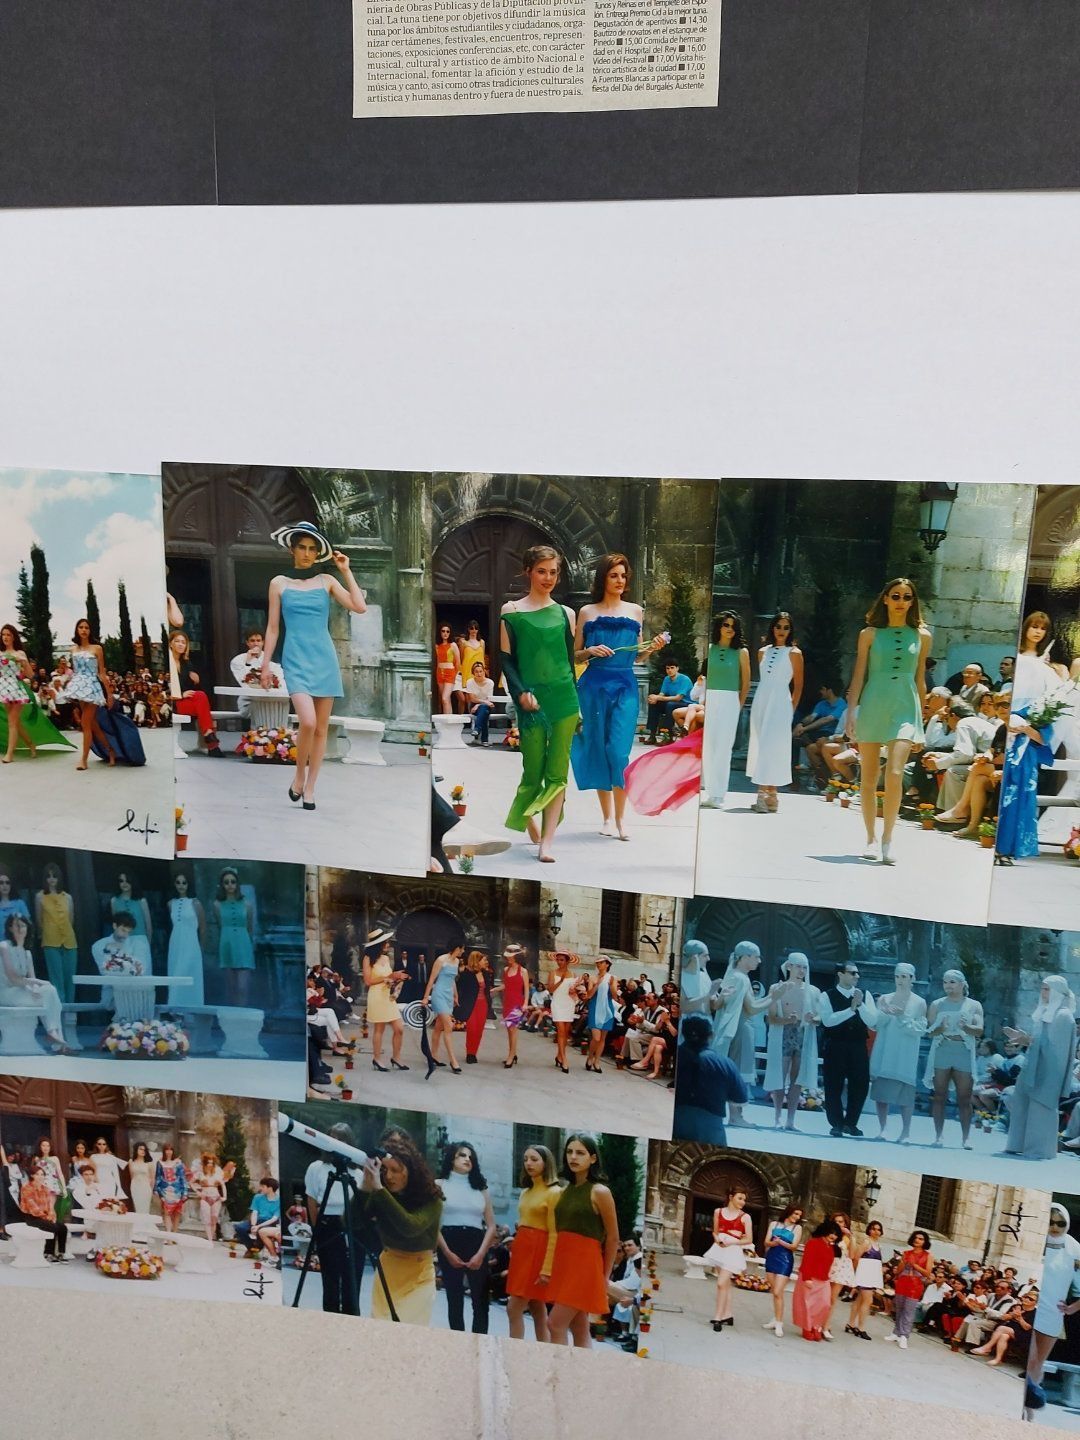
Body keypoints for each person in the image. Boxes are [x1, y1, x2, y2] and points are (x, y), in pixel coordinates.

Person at [263, 520, 367, 810]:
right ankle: (298, 776)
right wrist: (266, 665)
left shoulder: (327, 581)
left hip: (324, 660)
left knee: (321, 729)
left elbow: (360, 607)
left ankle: (310, 789)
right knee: (306, 722)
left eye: (311, 548)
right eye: (302, 547)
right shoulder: (279, 584)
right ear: (292, 550)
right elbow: (272, 628)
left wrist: (345, 570)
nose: (306, 553)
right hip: (295, 659)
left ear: (317, 552)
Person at [570, 553, 665, 838]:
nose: (620, 580)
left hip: (624, 686)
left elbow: (637, 657)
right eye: (614, 575)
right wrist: (590, 651)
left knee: (618, 751)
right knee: (599, 748)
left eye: (623, 576)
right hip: (593, 686)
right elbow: (573, 655)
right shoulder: (587, 612)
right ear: (603, 578)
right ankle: (607, 818)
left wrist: (653, 648)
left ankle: (622, 819)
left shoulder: (636, 610)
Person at [500, 546, 580, 864]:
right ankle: (528, 816)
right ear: (528, 571)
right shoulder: (512, 611)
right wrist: (520, 693)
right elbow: (507, 661)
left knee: (558, 774)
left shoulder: (566, 614)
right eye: (542, 571)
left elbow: (568, 662)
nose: (548, 578)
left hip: (564, 699)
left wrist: (579, 703)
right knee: (533, 772)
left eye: (553, 572)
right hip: (530, 701)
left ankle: (548, 842)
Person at [846, 578, 932, 864]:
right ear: (885, 599)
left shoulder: (923, 636)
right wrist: (851, 712)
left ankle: (888, 839)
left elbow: (921, 679)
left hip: (906, 706)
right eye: (895, 596)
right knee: (869, 777)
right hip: (874, 702)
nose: (900, 601)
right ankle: (870, 837)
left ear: (912, 602)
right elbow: (859, 674)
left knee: (895, 773)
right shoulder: (869, 634)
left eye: (906, 597)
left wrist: (923, 723)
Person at [356, 1136, 444, 1325]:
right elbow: (351, 1222)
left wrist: (379, 1190)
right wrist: (365, 1185)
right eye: (385, 1170)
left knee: (408, 1326)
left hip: (419, 1274)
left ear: (411, 1171)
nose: (388, 1176)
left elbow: (410, 1227)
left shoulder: (432, 1197)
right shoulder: (382, 1194)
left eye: (396, 1170)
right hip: (388, 1269)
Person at [544, 1134, 619, 1348]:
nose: (573, 1157)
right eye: (569, 1152)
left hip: (585, 1266)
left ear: (593, 1158)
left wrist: (605, 1276)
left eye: (580, 1153)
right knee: (579, 1327)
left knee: (555, 1324)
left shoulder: (600, 1191)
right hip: (565, 1264)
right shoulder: (565, 1191)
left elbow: (613, 1237)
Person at [1004, 976, 1078, 1160]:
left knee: (1041, 1107)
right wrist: (1023, 1038)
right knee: (1021, 1101)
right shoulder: (1045, 1012)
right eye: (1042, 989)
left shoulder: (1063, 1016)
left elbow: (1055, 1050)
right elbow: (1040, 1042)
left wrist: (1027, 1040)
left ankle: (1039, 1149)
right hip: (1033, 1066)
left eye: (1047, 989)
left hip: (1050, 1071)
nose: (1043, 993)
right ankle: (1018, 1143)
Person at [1022, 1204, 1080, 1414]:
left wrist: (1072, 1308)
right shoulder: (1034, 1242)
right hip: (1030, 1309)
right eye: (1051, 1222)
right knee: (1029, 1361)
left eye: (1060, 1223)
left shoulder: (1074, 1249)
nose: (1055, 1227)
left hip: (1052, 1315)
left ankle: (1030, 1412)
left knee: (1037, 1364)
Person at [304, 1121, 367, 1314]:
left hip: (353, 1226)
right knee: (330, 1278)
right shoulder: (316, 1167)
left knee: (352, 1279)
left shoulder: (358, 1173)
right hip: (328, 1225)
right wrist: (317, 1231)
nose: (337, 1143)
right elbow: (312, 1202)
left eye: (342, 1140)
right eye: (333, 1139)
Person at [436, 1142, 497, 1334]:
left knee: (480, 1302)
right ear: (452, 1159)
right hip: (449, 1241)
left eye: (471, 1157)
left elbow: (491, 1225)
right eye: (462, 1155)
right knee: (454, 1300)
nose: (467, 1159)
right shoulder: (439, 1184)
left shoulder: (481, 1189)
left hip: (476, 1242)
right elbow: (433, 1224)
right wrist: (446, 1252)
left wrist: (481, 1254)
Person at [711, 939, 772, 1125]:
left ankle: (736, 1115)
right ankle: (736, 1116)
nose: (759, 961)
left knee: (736, 1072)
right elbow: (752, 1008)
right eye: (756, 956)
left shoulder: (738, 977)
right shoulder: (740, 978)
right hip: (740, 1029)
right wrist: (773, 997)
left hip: (742, 1028)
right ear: (745, 957)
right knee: (737, 1073)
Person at [747, 611, 803, 814]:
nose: (781, 631)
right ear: (772, 628)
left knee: (775, 747)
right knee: (762, 745)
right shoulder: (763, 651)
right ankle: (771, 796)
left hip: (781, 704)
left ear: (791, 630)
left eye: (786, 627)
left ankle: (764, 794)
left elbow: (798, 686)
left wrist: (791, 710)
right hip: (762, 700)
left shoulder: (795, 653)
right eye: (778, 626)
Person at [866, 963, 927, 1144]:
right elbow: (876, 1024)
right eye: (898, 976)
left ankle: (905, 1131)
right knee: (882, 1094)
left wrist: (902, 1016)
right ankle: (883, 1129)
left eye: (905, 976)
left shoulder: (919, 1002)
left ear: (912, 978)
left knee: (905, 1096)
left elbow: (920, 1029)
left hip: (905, 1054)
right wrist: (885, 1012)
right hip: (886, 1051)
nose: (900, 980)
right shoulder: (885, 998)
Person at [506, 1144, 561, 1342]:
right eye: (526, 1159)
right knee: (537, 1307)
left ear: (546, 1163)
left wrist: (547, 1269)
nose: (529, 1163)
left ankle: (514, 1351)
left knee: (513, 1308)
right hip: (522, 1250)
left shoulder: (554, 1192)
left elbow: (554, 1232)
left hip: (538, 1251)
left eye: (534, 1159)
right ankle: (544, 1350)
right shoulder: (525, 1192)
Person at [924, 969, 984, 1149]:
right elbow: (929, 1032)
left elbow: (979, 1030)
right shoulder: (937, 1004)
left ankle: (966, 1138)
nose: (948, 986)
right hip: (942, 1049)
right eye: (945, 982)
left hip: (963, 1051)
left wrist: (966, 1027)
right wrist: (940, 1029)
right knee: (939, 1095)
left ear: (962, 984)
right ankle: (938, 1136)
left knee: (964, 1097)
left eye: (952, 982)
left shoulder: (973, 1005)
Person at [763, 953, 821, 1131]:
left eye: (804, 967)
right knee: (779, 1077)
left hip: (803, 1035)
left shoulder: (813, 991)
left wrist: (813, 1018)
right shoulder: (777, 988)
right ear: (789, 967)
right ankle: (778, 1117)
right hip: (783, 1034)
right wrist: (786, 1020)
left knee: (797, 1079)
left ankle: (791, 1120)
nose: (801, 970)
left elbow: (820, 1018)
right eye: (798, 966)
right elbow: (770, 1018)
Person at [701, 610, 751, 808]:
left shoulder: (742, 652)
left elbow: (746, 683)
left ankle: (719, 795)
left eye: (733, 626)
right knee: (709, 746)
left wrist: (738, 705)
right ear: (719, 627)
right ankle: (709, 792)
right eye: (726, 625)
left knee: (723, 747)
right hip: (712, 698)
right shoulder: (710, 648)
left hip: (731, 700)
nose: (729, 629)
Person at [818, 961, 874, 1138]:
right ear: (841, 975)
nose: (857, 976)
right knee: (833, 1084)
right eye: (852, 973)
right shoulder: (826, 995)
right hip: (836, 1044)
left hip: (858, 1045)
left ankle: (851, 1123)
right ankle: (836, 1123)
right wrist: (851, 1009)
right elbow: (828, 1020)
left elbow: (872, 1021)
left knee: (860, 1084)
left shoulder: (865, 995)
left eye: (858, 973)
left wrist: (860, 1005)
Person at [674, 1014, 749, 1144]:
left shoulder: (677, 1056)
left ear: (683, 1033)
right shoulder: (725, 1063)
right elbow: (740, 1098)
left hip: (676, 1120)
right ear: (711, 1035)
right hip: (710, 1127)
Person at [0, 913, 68, 1052]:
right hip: (6, 992)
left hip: (20, 992)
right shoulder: (4, 946)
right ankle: (55, 1038)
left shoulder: (27, 953)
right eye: (16, 925)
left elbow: (31, 979)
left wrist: (35, 988)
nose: (20, 929)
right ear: (10, 928)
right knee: (49, 992)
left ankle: (54, 1036)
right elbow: (12, 977)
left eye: (23, 925)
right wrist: (38, 982)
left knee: (50, 993)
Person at [63, 617, 117, 769]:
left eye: (86, 627)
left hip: (92, 686)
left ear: (90, 630)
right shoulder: (73, 649)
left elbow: (102, 673)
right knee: (92, 724)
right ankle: (110, 750)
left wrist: (109, 695)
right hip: (79, 686)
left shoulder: (97, 648)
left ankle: (84, 760)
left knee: (85, 722)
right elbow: (75, 671)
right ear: (77, 630)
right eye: (81, 627)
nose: (84, 630)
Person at [167, 631, 224, 756]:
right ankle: (211, 742)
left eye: (183, 642)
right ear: (170, 644)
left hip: (183, 702)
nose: (181, 645)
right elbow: (163, 688)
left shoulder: (186, 663)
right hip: (170, 703)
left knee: (201, 695)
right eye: (177, 641)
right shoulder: (167, 663)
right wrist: (181, 694)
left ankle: (209, 735)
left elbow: (192, 687)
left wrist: (195, 679)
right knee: (202, 702)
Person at [362, 927, 408, 1072]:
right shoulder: (368, 958)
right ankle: (377, 1058)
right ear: (379, 944)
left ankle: (396, 1057)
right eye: (386, 942)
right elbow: (368, 981)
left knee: (399, 1028)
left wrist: (397, 978)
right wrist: (389, 977)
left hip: (388, 996)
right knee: (379, 1029)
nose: (388, 944)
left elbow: (389, 978)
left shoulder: (387, 958)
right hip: (376, 995)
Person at [35, 863, 78, 1006]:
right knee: (56, 980)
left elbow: (70, 920)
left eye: (54, 876)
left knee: (70, 979)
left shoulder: (68, 897)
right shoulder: (40, 897)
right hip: (50, 941)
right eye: (48, 876)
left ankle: (71, 1017)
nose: (52, 879)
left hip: (70, 942)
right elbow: (39, 920)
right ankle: (59, 1016)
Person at [792, 1218, 841, 1341]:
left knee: (825, 1304)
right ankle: (807, 1328)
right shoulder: (813, 1243)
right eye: (831, 1233)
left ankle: (816, 1325)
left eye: (836, 1234)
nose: (833, 1236)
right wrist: (807, 1278)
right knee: (807, 1304)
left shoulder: (831, 1247)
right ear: (824, 1231)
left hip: (823, 1279)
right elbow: (807, 1261)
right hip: (809, 1277)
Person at [214, 867, 256, 1006]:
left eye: (233, 881)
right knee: (231, 988)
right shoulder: (217, 904)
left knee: (242, 987)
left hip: (243, 944)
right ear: (222, 885)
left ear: (237, 884)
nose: (230, 884)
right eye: (226, 882)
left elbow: (250, 927)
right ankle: (232, 1020)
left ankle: (243, 1016)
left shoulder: (247, 904)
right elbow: (220, 925)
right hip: (227, 944)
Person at [886, 1230, 933, 1350]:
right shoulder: (906, 1253)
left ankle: (904, 1336)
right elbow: (899, 1270)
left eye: (921, 1239)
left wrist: (915, 1265)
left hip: (916, 1284)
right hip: (903, 1282)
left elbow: (927, 1273)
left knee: (909, 1311)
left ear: (925, 1242)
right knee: (899, 1308)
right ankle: (896, 1332)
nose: (917, 1240)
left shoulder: (928, 1256)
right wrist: (902, 1262)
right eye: (916, 1238)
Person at [762, 1204, 803, 1337]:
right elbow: (766, 1242)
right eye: (795, 1213)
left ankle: (779, 1323)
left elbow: (794, 1246)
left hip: (785, 1260)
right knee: (774, 1292)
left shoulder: (798, 1228)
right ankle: (775, 1318)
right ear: (789, 1212)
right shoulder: (774, 1224)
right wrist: (773, 1243)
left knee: (778, 1291)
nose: (797, 1217)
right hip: (772, 1257)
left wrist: (780, 1242)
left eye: (799, 1215)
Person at [165, 870, 205, 1006]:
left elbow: (203, 928)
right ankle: (175, 1009)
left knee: (189, 973)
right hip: (176, 942)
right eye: (178, 883)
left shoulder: (195, 903)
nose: (181, 886)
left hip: (191, 943)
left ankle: (193, 1008)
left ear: (188, 885)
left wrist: (200, 946)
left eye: (184, 883)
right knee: (175, 972)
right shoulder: (171, 904)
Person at [423, 944, 464, 1073]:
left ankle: (433, 1056)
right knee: (449, 1026)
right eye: (462, 948)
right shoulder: (441, 960)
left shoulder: (457, 961)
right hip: (439, 994)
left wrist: (455, 995)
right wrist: (425, 997)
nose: (463, 951)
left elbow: (452, 980)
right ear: (456, 948)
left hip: (448, 996)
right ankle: (453, 1060)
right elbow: (431, 979)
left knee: (439, 1027)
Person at [0, 623, 37, 762]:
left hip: (15, 687)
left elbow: (31, 675)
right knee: (15, 722)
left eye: (8, 635)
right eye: (3, 634)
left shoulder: (20, 653)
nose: (5, 637)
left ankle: (9, 754)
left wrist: (24, 662)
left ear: (14, 637)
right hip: (3, 688)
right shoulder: (0, 653)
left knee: (12, 722)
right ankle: (31, 745)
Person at [18, 1162, 69, 1262]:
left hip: (45, 1216)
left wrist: (52, 1215)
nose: (40, 1176)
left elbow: (50, 1205)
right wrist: (46, 1217)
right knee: (52, 1227)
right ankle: (48, 1253)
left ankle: (61, 1253)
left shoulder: (45, 1189)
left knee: (62, 1227)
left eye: (42, 1174)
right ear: (32, 1175)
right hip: (32, 1217)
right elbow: (33, 1207)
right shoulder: (26, 1188)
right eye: (37, 1174)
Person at [229, 627, 285, 717]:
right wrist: (248, 662)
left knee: (278, 707)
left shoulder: (271, 663)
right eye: (252, 641)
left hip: (271, 701)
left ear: (263, 642)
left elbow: (281, 684)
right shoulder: (237, 661)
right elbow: (245, 683)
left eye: (258, 641)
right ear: (247, 643)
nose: (256, 644)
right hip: (249, 702)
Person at [582, 954, 620, 1073]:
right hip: (595, 1007)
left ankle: (597, 1061)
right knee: (596, 1037)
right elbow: (589, 995)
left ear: (607, 964)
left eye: (601, 962)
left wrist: (611, 985)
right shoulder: (593, 978)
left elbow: (615, 997)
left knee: (603, 1038)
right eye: (597, 963)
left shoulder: (613, 978)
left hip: (607, 1008)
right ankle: (590, 1056)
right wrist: (597, 984)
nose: (598, 965)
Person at [848, 1220, 885, 1339]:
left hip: (872, 1275)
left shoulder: (878, 1245)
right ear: (869, 1230)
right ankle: (861, 1328)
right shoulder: (866, 1242)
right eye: (874, 1229)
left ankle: (851, 1324)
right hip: (865, 1274)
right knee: (868, 1301)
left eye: (878, 1229)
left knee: (860, 1299)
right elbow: (857, 1257)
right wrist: (855, 1273)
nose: (876, 1232)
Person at [546, 950, 581, 1074]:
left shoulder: (573, 974)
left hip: (569, 1004)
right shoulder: (552, 973)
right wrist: (560, 981)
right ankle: (564, 1058)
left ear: (567, 961)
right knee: (560, 1030)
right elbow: (550, 989)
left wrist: (577, 990)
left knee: (565, 1032)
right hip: (557, 1003)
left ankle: (559, 1056)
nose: (559, 962)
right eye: (558, 959)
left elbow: (575, 991)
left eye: (562, 960)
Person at [496, 944, 529, 1069]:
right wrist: (495, 989)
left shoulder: (523, 971)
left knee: (513, 1030)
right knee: (509, 1030)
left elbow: (526, 989)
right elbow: (506, 985)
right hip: (507, 1002)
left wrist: (525, 1003)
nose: (508, 958)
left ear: (516, 956)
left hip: (517, 1003)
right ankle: (513, 1053)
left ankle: (511, 1056)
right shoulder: (505, 970)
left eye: (510, 956)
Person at [456, 951, 491, 1066]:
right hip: (470, 1004)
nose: (485, 962)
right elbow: (459, 989)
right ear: (476, 961)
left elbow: (487, 990)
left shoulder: (486, 973)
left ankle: (474, 1052)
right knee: (472, 1029)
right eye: (483, 960)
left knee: (479, 1030)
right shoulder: (466, 974)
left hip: (483, 1004)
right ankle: (469, 1053)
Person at [189, 1151, 228, 1242]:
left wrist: (224, 1196)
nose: (210, 1165)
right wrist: (197, 1192)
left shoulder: (217, 1172)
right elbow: (191, 1182)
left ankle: (211, 1236)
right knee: (207, 1219)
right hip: (205, 1197)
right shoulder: (200, 1173)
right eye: (208, 1163)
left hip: (216, 1197)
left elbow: (222, 1184)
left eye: (212, 1163)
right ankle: (210, 1239)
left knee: (214, 1218)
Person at [110, 870, 153, 945]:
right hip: (122, 942)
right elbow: (115, 926)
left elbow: (149, 926)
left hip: (140, 941)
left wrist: (147, 944)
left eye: (127, 881)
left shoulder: (141, 901)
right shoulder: (114, 901)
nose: (124, 883)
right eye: (121, 881)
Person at [153, 1143, 188, 1233]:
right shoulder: (160, 1163)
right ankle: (168, 1234)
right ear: (164, 1151)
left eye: (171, 1150)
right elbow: (158, 1177)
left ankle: (175, 1233)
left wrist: (185, 1192)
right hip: (165, 1190)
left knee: (177, 1213)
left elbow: (182, 1178)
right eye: (167, 1150)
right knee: (166, 1212)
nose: (169, 1152)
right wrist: (156, 1189)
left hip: (177, 1191)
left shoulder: (178, 1163)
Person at [463, 661, 495, 746]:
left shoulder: (490, 682)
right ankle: (484, 740)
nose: (479, 673)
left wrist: (479, 704)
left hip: (487, 705)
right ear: (473, 673)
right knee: (484, 712)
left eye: (481, 671)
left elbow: (489, 699)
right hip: (474, 705)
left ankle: (477, 729)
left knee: (484, 709)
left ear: (484, 671)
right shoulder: (470, 682)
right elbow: (472, 699)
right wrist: (479, 704)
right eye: (476, 672)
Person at [435, 623, 462, 715]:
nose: (445, 633)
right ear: (440, 632)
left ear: (450, 633)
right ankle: (448, 722)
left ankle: (447, 722)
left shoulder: (453, 645)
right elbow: (438, 661)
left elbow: (458, 662)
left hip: (450, 673)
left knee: (445, 698)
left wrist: (454, 674)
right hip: (440, 673)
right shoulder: (437, 646)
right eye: (443, 631)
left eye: (447, 631)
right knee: (446, 700)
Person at [126, 1141, 156, 1214]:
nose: (143, 1151)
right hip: (135, 1186)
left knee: (145, 1208)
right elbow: (131, 1176)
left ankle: (145, 1224)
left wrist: (151, 1191)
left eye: (144, 1149)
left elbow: (152, 1179)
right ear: (136, 1150)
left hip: (145, 1187)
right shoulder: (131, 1162)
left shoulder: (149, 1163)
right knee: (137, 1207)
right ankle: (138, 1224)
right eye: (140, 1149)